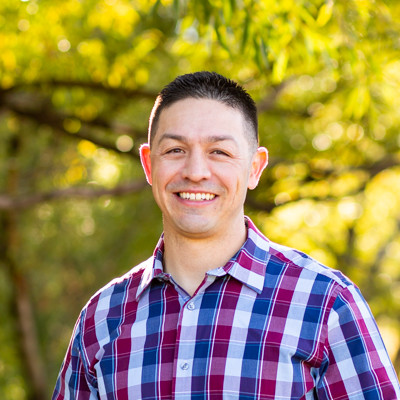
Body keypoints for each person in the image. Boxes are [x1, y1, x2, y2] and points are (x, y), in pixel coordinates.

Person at [53, 71, 400, 399]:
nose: (195, 172)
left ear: (254, 168)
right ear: (148, 164)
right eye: (175, 150)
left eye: (219, 152)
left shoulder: (326, 305)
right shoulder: (102, 317)